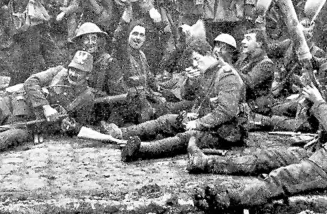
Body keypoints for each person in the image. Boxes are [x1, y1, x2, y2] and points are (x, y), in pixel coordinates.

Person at [191, 54, 327, 210]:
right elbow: (323, 126)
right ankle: (208, 162)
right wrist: (310, 105)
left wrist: (318, 101)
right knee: (268, 157)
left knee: (282, 176)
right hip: (321, 153)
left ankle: (228, 199)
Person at [103, 38, 247, 163]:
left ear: (211, 55)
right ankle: (120, 133)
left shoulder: (227, 76)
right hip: (208, 123)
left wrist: (197, 123)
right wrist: (191, 82)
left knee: (186, 137)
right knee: (166, 120)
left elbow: (226, 111)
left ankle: (141, 149)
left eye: (197, 59)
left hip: (226, 132)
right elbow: (187, 96)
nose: (195, 64)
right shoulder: (207, 72)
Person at [235, 29, 275, 114]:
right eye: (244, 38)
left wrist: (229, 66)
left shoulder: (266, 64)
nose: (243, 41)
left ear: (259, 44)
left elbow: (249, 82)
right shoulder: (244, 60)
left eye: (248, 39)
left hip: (258, 110)